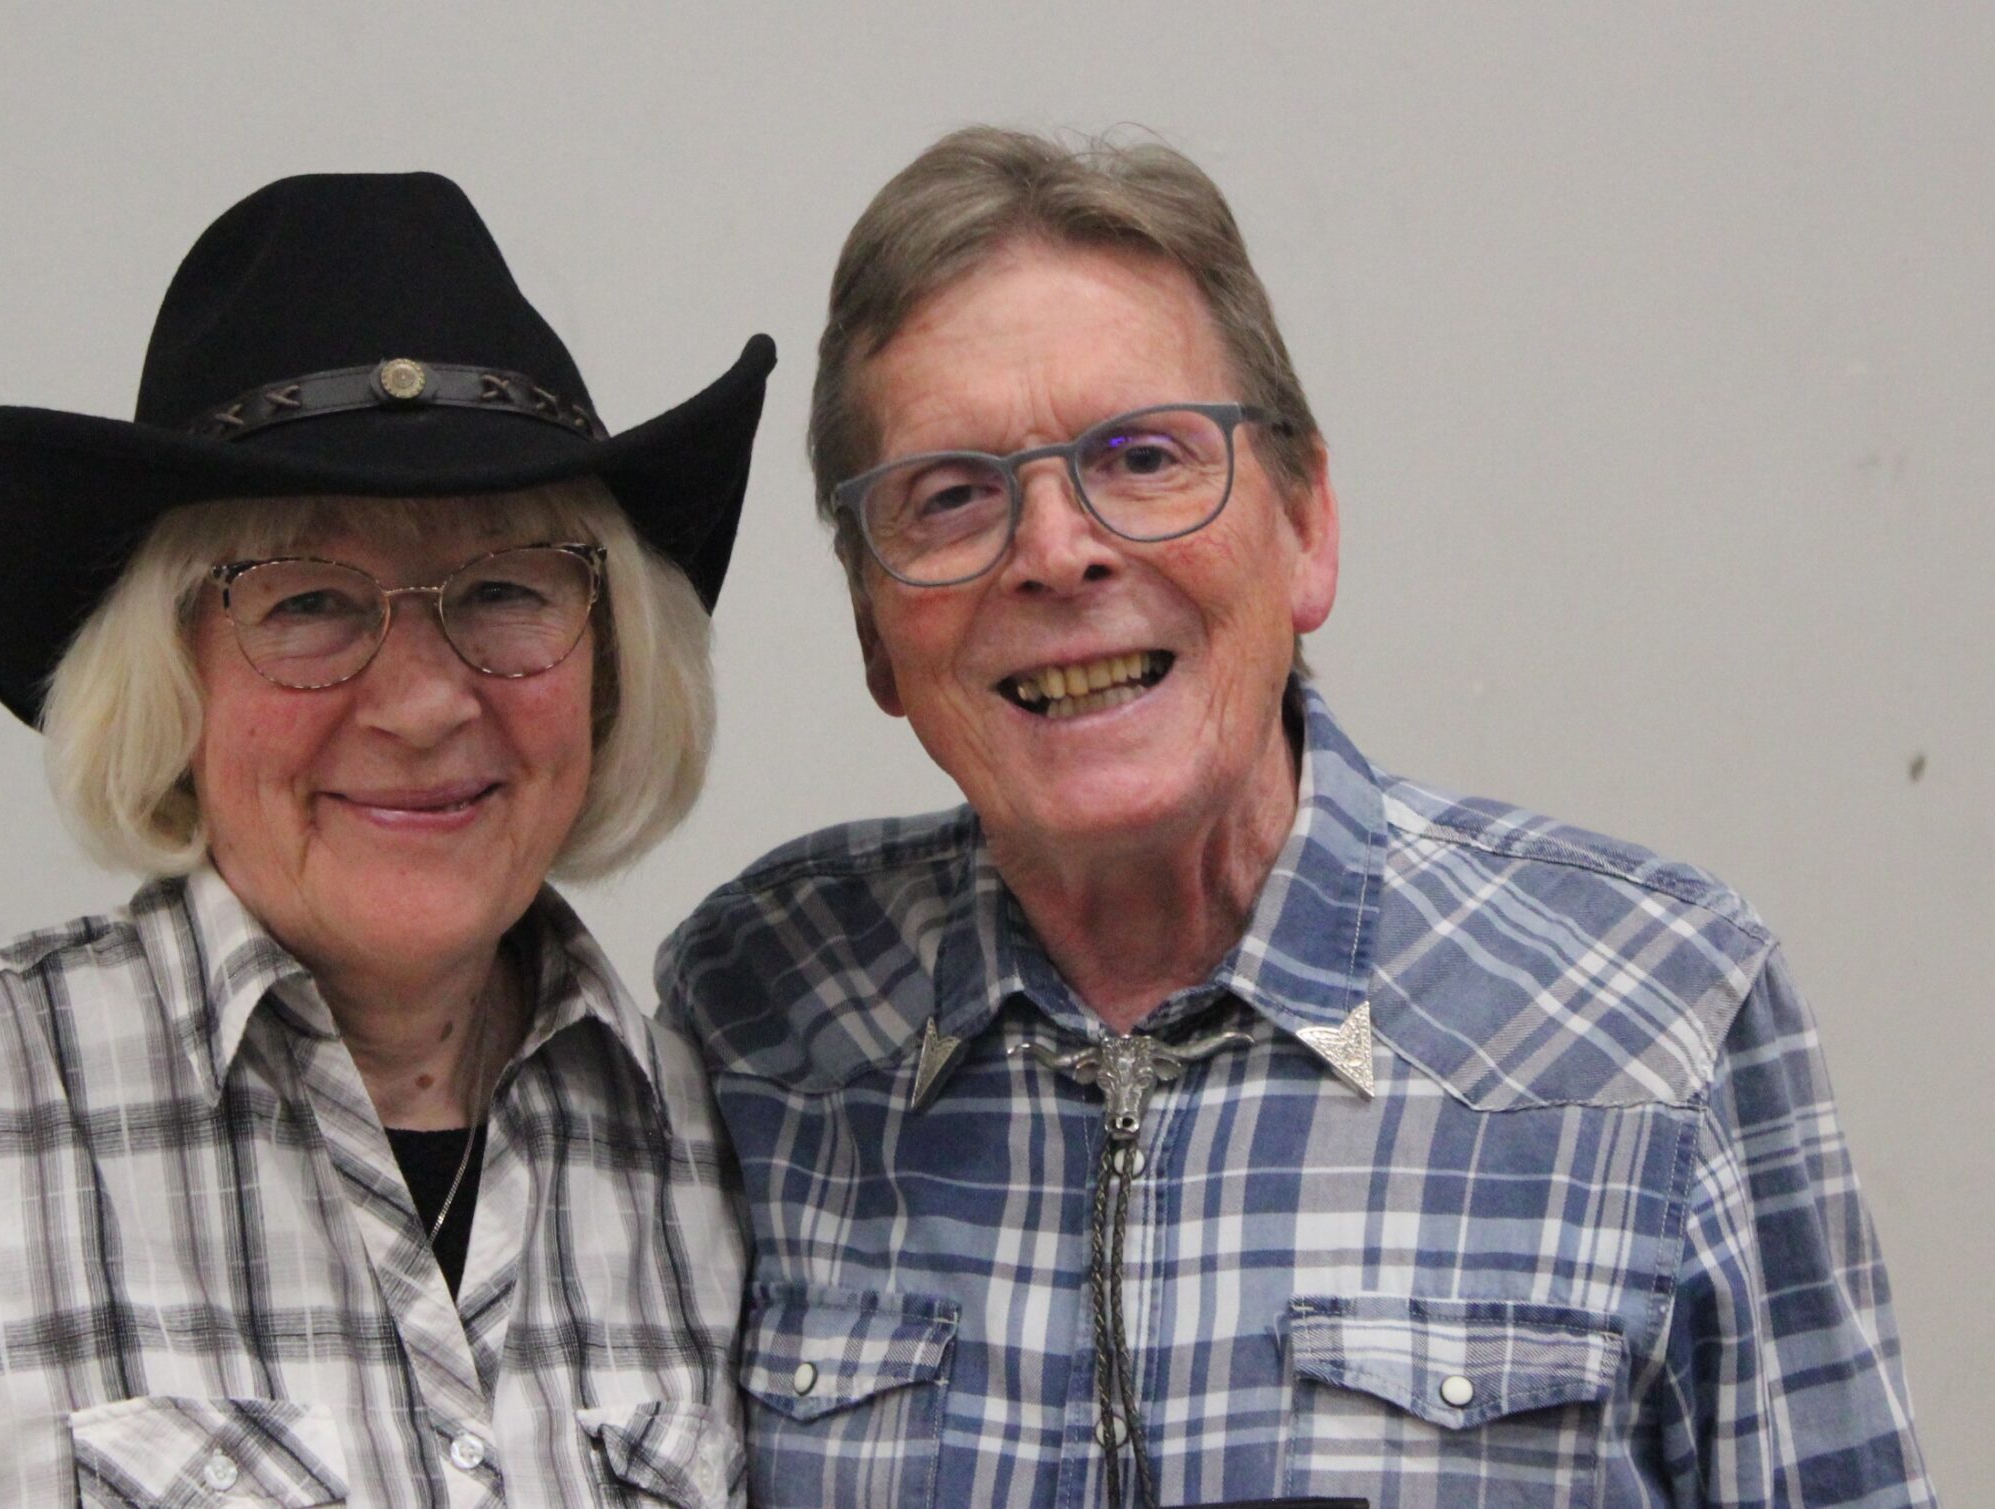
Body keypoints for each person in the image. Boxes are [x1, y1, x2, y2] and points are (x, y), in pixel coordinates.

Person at [659, 128, 1935, 1507]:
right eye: (953, 496)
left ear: (1307, 526)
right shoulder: (761, 1013)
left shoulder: (1660, 1012)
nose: (1057, 552)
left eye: (1143, 456)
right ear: (873, 631)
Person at [0, 172, 773, 1507]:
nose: (425, 702)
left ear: (612, 659)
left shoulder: (739, 1157)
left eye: (504, 589)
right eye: (309, 601)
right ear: (168, 679)